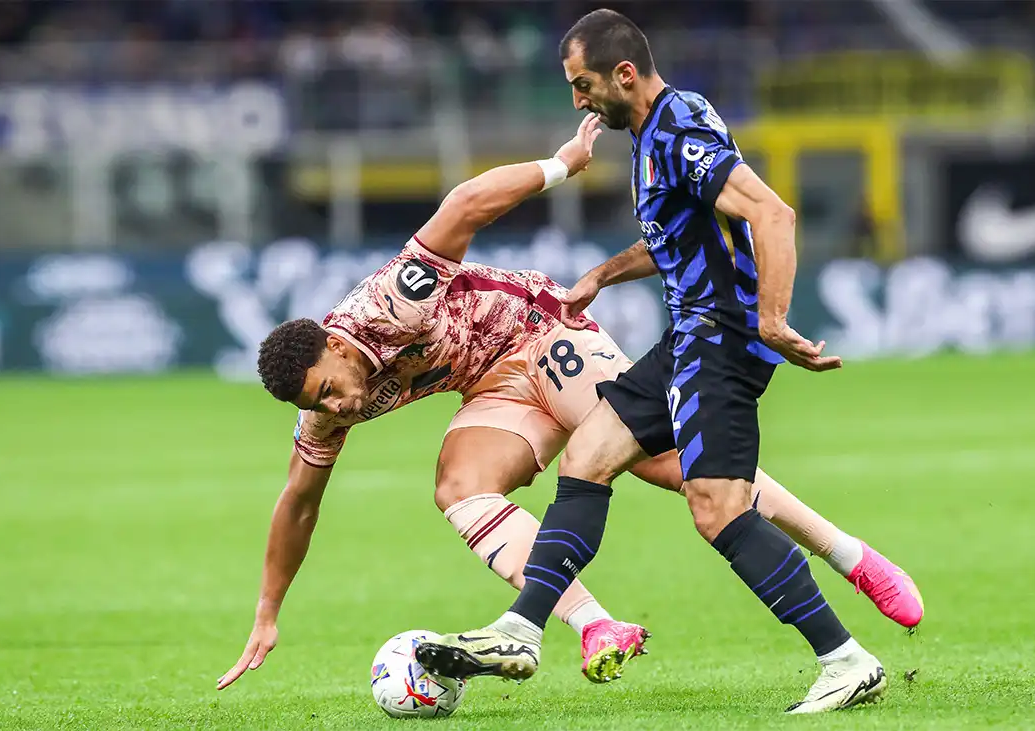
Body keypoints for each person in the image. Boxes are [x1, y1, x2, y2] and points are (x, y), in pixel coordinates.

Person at [216, 112, 920, 695]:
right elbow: (298, 502)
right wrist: (267, 612)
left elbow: (464, 204)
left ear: (335, 345)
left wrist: (559, 165)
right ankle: (594, 624)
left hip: (541, 333)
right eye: (320, 404)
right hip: (492, 388)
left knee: (674, 467)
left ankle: (850, 555)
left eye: (329, 388)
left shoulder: (387, 304)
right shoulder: (326, 410)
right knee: (458, 487)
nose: (339, 406)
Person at [415, 9, 922, 715]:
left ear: (624, 74)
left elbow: (772, 213)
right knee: (587, 455)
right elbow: (676, 237)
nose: (578, 100)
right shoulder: (656, 130)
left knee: (717, 507)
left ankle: (845, 660)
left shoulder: (678, 130)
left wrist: (770, 319)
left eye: (583, 83)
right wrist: (601, 276)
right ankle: (522, 629)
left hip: (721, 337)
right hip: (688, 337)